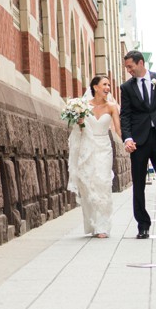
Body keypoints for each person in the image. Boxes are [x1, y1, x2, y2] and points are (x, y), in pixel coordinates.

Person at [119, 50, 156, 239]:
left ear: (141, 63)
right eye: (127, 67)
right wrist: (128, 138)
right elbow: (125, 115)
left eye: (130, 66)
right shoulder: (127, 88)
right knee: (138, 183)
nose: (128, 70)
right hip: (139, 140)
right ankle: (142, 225)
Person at [67, 75, 120, 238]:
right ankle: (93, 222)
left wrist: (128, 142)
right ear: (95, 87)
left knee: (102, 182)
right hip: (88, 147)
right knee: (89, 183)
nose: (108, 88)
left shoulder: (112, 107)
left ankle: (103, 226)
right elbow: (79, 131)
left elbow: (118, 130)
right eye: (105, 84)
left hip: (104, 147)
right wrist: (80, 121)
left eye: (109, 85)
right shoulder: (83, 107)